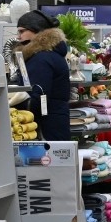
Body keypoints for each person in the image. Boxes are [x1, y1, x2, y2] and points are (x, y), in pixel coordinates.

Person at [16, 10, 70, 141]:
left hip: (44, 128)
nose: (18, 36)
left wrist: (14, 108)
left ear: (36, 31)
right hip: (54, 124)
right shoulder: (50, 55)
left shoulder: (41, 58)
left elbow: (38, 95)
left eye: (22, 31)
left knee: (48, 161)